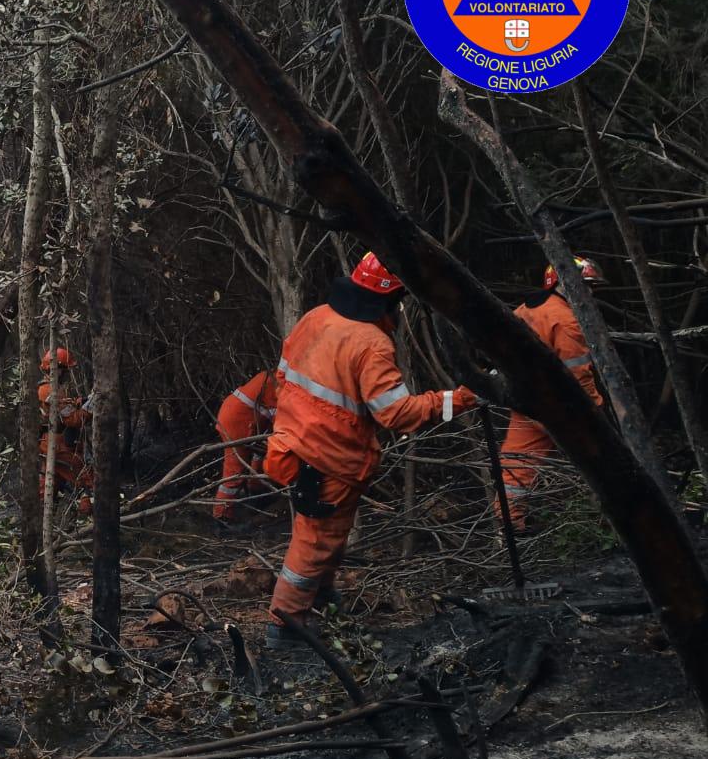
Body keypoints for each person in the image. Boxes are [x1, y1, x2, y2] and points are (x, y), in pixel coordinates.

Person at [263, 253, 475, 647]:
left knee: (327, 537)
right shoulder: (371, 343)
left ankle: (321, 605)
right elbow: (398, 414)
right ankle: (284, 628)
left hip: (293, 448)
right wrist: (459, 399)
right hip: (330, 460)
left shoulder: (317, 317)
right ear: (390, 298)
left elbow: (282, 374)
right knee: (313, 544)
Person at [496, 257, 605, 531]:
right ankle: (610, 520)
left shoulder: (526, 309)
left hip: (525, 401)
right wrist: (595, 411)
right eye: (585, 286)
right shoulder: (566, 321)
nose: (590, 293)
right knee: (602, 462)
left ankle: (509, 527)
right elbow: (578, 375)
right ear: (563, 284)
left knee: (515, 465)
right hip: (559, 408)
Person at [213, 369, 278, 522]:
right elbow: (281, 421)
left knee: (259, 455)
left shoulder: (269, 376)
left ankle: (256, 492)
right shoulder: (276, 383)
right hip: (238, 424)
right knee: (234, 472)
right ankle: (222, 516)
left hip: (236, 417)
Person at [37, 347, 93, 513]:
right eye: (66, 370)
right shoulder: (49, 390)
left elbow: (63, 408)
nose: (68, 373)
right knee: (86, 479)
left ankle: (51, 524)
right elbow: (73, 419)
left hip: (50, 443)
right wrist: (91, 406)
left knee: (50, 487)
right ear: (58, 370)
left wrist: (80, 402)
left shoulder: (49, 389)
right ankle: (91, 518)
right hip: (58, 445)